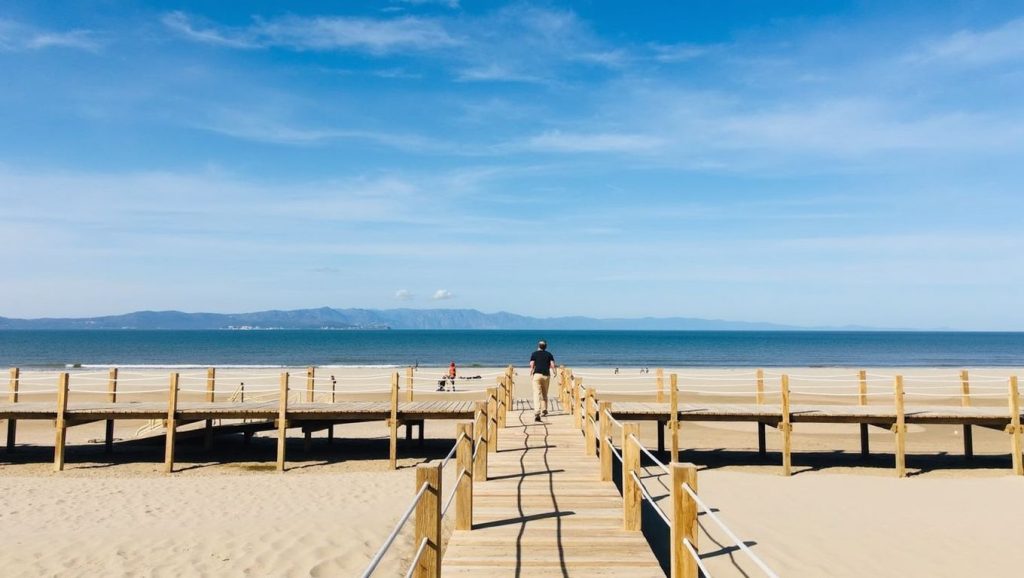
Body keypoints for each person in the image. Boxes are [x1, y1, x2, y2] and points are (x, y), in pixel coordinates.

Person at [529, 340, 556, 422]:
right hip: (546, 375)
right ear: (546, 347)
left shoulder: (534, 354)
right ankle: (544, 409)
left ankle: (537, 412)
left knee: (537, 393)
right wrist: (554, 371)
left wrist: (531, 371)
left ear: (538, 346)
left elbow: (532, 364)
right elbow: (552, 364)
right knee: (545, 392)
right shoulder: (549, 354)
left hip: (537, 375)